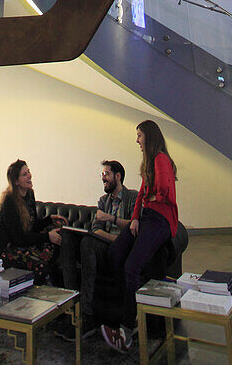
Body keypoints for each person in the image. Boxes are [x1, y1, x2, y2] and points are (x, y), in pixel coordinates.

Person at [101, 121, 179, 353]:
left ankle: (127, 330)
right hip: (145, 218)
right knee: (115, 253)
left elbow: (163, 192)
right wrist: (135, 217)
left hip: (160, 220)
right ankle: (130, 307)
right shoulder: (148, 163)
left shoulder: (160, 159)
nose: (137, 140)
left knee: (132, 266)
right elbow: (142, 196)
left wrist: (150, 199)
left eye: (139, 135)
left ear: (149, 136)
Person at [57, 159, 137, 341]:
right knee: (69, 237)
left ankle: (87, 315)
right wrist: (114, 238)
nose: (103, 178)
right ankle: (72, 308)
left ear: (118, 176)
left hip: (121, 250)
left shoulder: (133, 197)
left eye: (106, 174)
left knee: (88, 243)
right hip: (105, 245)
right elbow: (96, 229)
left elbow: (133, 226)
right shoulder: (103, 201)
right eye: (102, 175)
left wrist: (111, 221)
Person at [0, 159, 65, 284]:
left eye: (28, 171)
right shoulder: (9, 201)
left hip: (22, 243)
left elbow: (32, 226)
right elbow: (18, 238)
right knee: (41, 264)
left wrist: (49, 220)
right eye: (24, 174)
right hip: (8, 249)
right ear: (16, 181)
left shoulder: (29, 194)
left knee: (56, 234)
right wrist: (47, 236)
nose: (29, 175)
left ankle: (49, 277)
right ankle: (43, 287)